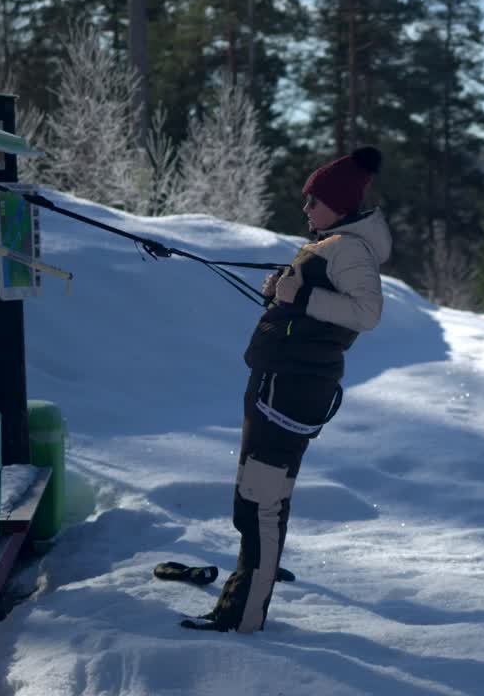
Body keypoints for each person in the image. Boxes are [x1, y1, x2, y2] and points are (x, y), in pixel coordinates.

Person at [183, 145, 391, 633]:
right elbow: (313, 303)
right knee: (254, 500)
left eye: (315, 200)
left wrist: (299, 293)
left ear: (340, 204)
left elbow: (368, 313)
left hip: (291, 392)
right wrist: (283, 289)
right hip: (279, 385)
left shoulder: (349, 249)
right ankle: (248, 590)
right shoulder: (331, 241)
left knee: (261, 502)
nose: (306, 209)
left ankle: (244, 616)